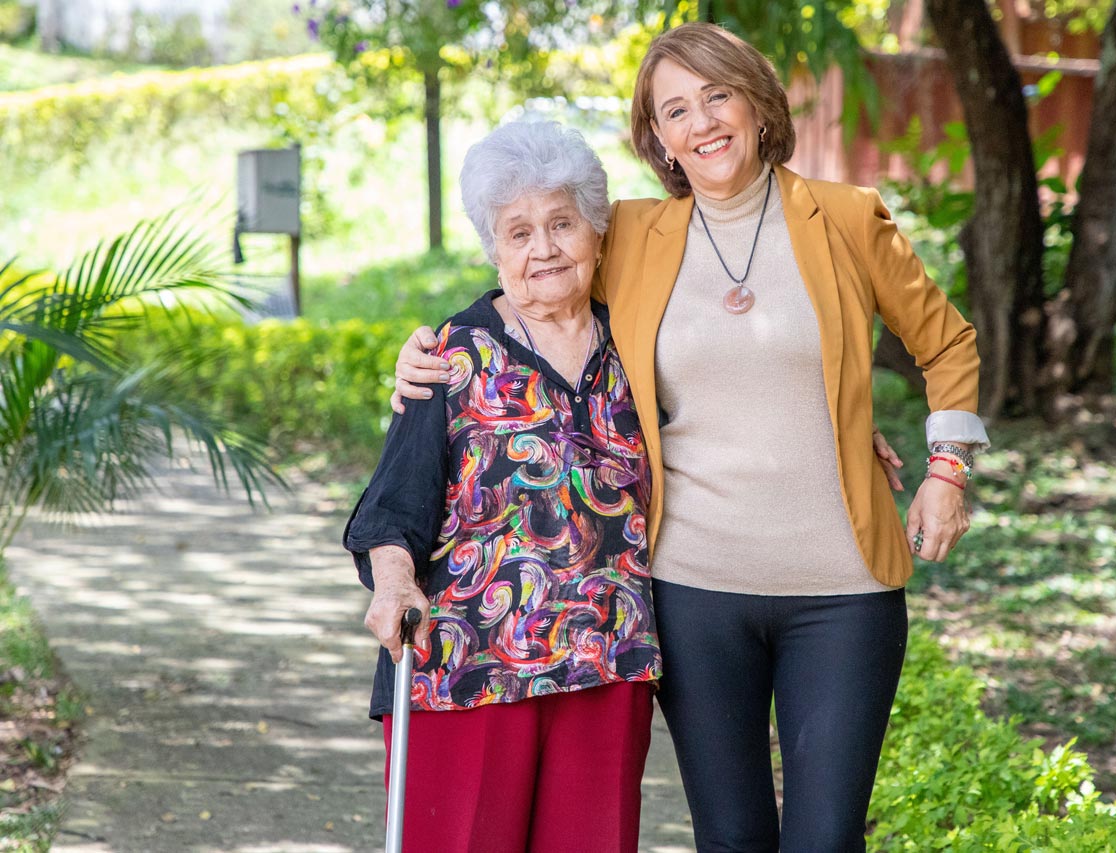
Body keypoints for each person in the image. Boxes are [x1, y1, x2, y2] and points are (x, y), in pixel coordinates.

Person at [393, 23, 989, 852]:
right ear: (658, 137)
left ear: (756, 102)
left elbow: (948, 342)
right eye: (676, 109)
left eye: (717, 95)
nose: (702, 122)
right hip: (693, 588)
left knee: (825, 837)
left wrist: (946, 470)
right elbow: (534, 272)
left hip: (844, 587)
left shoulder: (847, 219)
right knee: (733, 835)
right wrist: (432, 347)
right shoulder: (637, 235)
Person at [343, 121, 662, 853]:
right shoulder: (452, 355)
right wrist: (392, 586)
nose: (543, 248)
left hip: (607, 669)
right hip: (467, 670)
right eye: (518, 232)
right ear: (494, 249)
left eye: (560, 223)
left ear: (597, 233)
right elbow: (393, 507)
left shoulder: (640, 346)